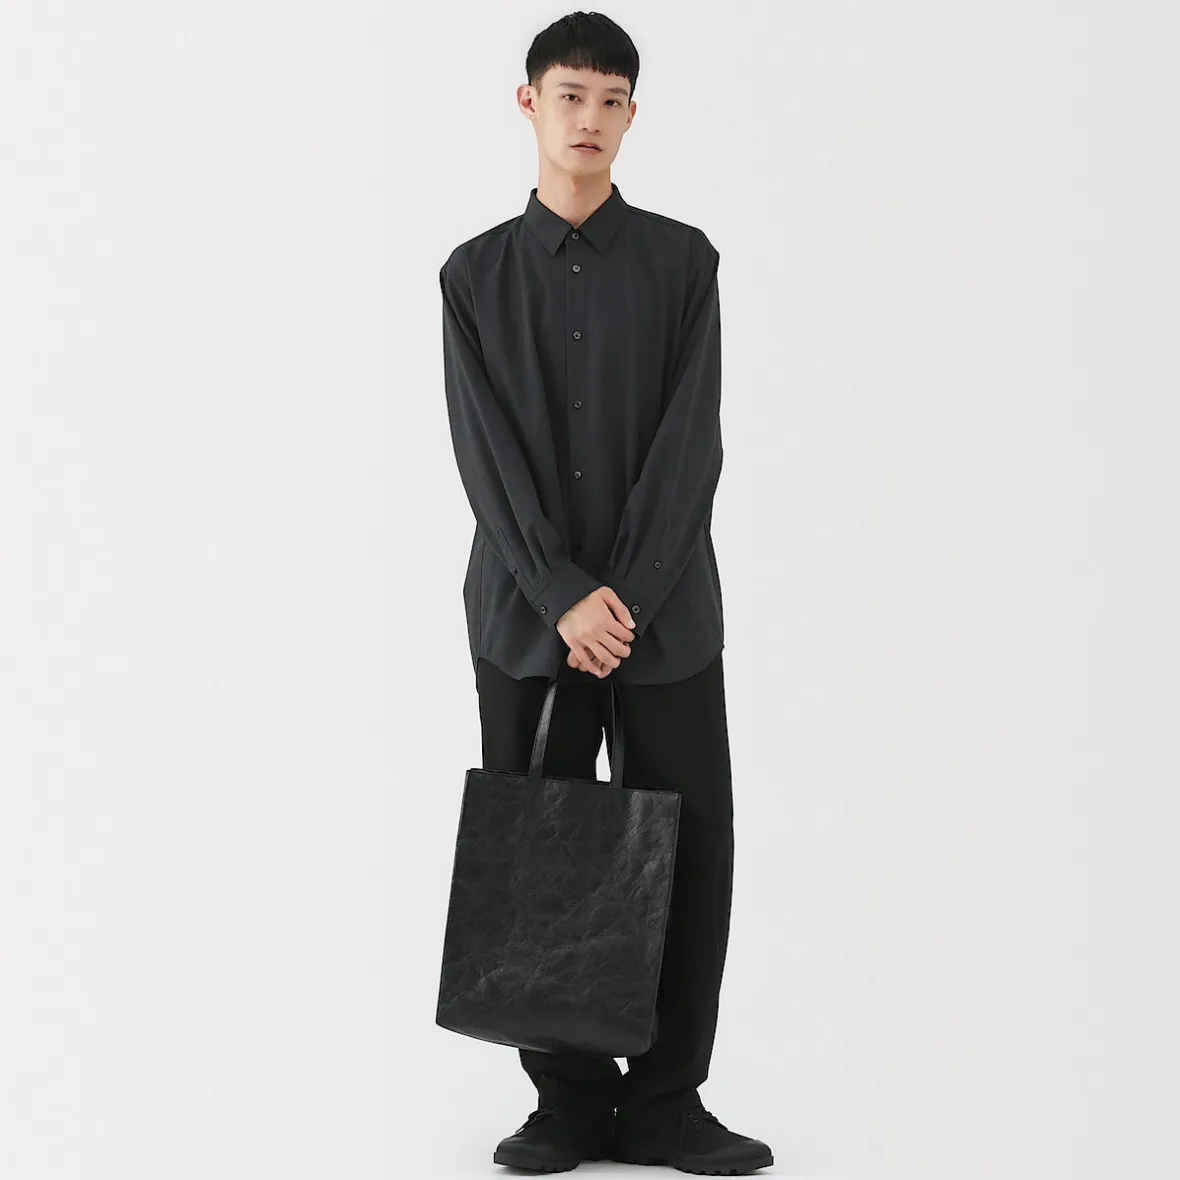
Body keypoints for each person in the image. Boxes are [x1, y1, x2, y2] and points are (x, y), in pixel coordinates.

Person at [439, 11, 772, 1176]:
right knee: (539, 845)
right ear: (528, 103)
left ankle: (671, 1100)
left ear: (633, 115)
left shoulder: (683, 264)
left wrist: (620, 596)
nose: (589, 118)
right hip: (525, 616)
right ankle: (567, 1101)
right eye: (569, 95)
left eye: (611, 99)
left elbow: (691, 448)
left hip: (663, 613)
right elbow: (484, 455)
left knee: (691, 843)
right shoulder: (473, 276)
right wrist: (561, 593)